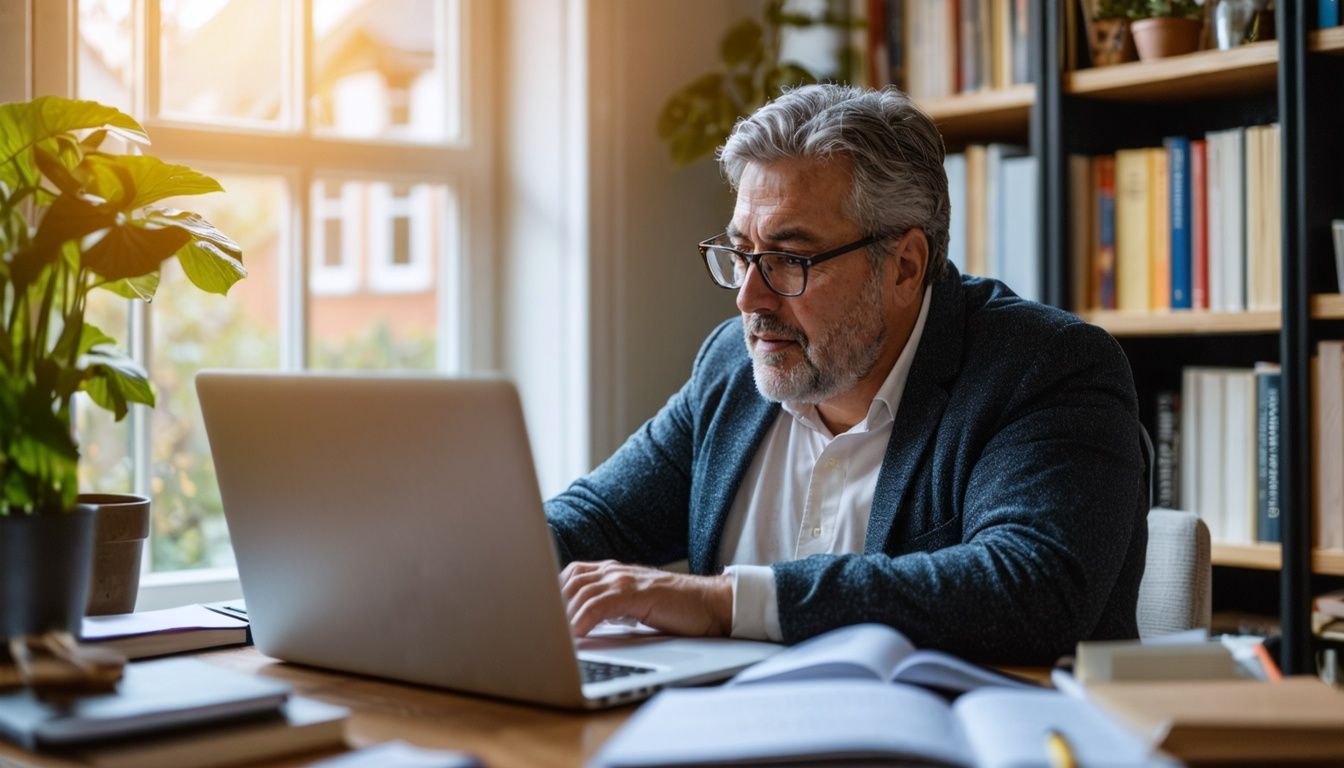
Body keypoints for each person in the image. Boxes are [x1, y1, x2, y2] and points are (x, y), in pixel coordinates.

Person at [546, 84, 1146, 664]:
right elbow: (592, 520)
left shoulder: (1045, 369)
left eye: (789, 259)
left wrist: (726, 602)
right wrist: (477, 565)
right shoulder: (732, 364)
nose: (748, 299)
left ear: (905, 267)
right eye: (741, 255)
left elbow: (1028, 588)